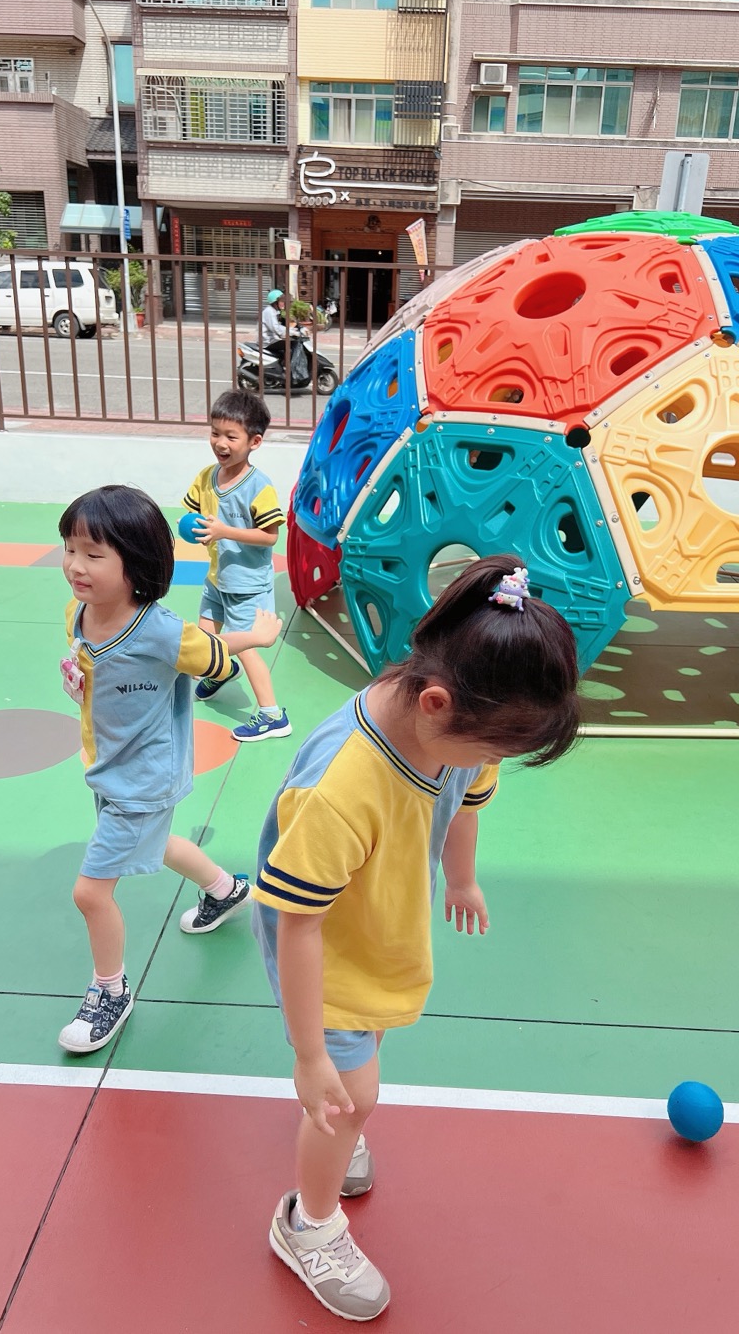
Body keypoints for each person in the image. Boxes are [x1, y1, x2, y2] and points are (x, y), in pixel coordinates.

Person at [250, 556, 581, 1322]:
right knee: (351, 1091)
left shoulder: (457, 725)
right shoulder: (341, 786)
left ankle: (338, 1125)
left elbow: (469, 799)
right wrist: (309, 1054)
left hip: (376, 914)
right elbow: (298, 923)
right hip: (324, 938)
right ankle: (307, 1223)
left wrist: (460, 879)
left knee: (363, 1056)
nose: (493, 763)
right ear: (436, 704)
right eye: (493, 748)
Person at [57, 484, 282, 1054]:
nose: (76, 565)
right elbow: (90, 666)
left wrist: (254, 637)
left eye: (93, 554)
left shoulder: (159, 631)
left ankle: (111, 990)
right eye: (70, 549)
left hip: (144, 778)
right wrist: (78, 681)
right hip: (107, 767)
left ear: (136, 565)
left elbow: (211, 655)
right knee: (155, 845)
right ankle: (225, 889)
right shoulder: (79, 613)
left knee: (90, 893)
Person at [180, 389, 291, 746]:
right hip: (217, 577)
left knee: (245, 646)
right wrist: (195, 528)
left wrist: (224, 531)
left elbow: (270, 537)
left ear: (254, 441)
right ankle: (222, 672)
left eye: (231, 436)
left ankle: (273, 715)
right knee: (206, 639)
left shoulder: (259, 487)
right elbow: (195, 515)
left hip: (247, 583)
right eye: (215, 433)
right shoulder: (206, 477)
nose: (220, 443)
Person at [259, 288, 288, 368]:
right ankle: (286, 368)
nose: (283, 303)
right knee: (289, 347)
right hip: (267, 341)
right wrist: (289, 333)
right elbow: (276, 329)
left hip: (272, 339)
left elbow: (279, 326)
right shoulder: (269, 312)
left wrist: (293, 330)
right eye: (281, 301)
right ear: (275, 302)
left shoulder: (275, 311)